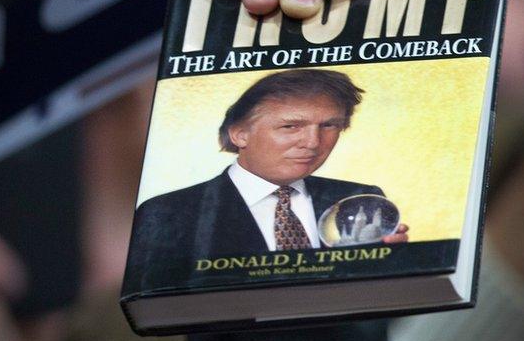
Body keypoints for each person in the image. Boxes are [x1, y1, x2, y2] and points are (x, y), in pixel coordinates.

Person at [125, 68, 407, 291]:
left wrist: (394, 267)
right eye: (290, 126)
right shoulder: (165, 214)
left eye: (329, 125)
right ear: (239, 134)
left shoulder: (360, 198)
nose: (313, 142)